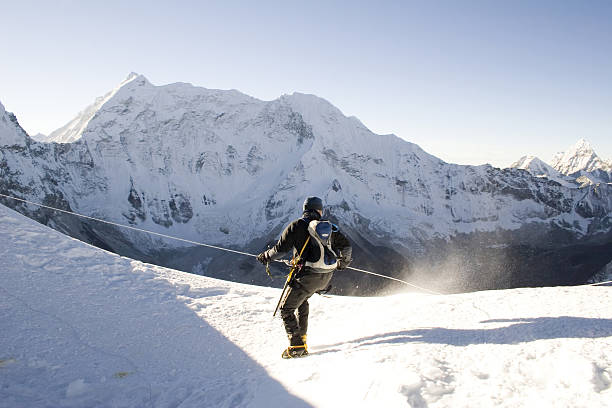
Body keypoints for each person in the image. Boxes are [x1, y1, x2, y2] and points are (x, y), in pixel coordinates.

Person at [257, 196, 352, 358]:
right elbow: (346, 246)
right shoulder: (329, 227)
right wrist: (343, 264)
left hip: (307, 276)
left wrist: (265, 256)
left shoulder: (296, 226)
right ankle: (303, 340)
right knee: (302, 301)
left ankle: (297, 347)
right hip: (326, 275)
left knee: (286, 309)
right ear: (319, 210)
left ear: (305, 209)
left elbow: (279, 250)